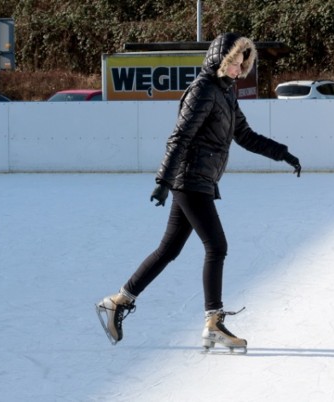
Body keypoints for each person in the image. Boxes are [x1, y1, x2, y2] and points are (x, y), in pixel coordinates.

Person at [96, 32, 302, 353]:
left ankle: (117, 301)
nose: (237, 68)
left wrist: (283, 153)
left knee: (168, 250)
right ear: (218, 58)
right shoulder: (203, 90)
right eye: (233, 62)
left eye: (242, 63)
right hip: (189, 179)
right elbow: (179, 137)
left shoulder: (226, 94)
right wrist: (164, 181)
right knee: (216, 246)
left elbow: (245, 135)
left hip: (201, 180)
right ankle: (213, 322)